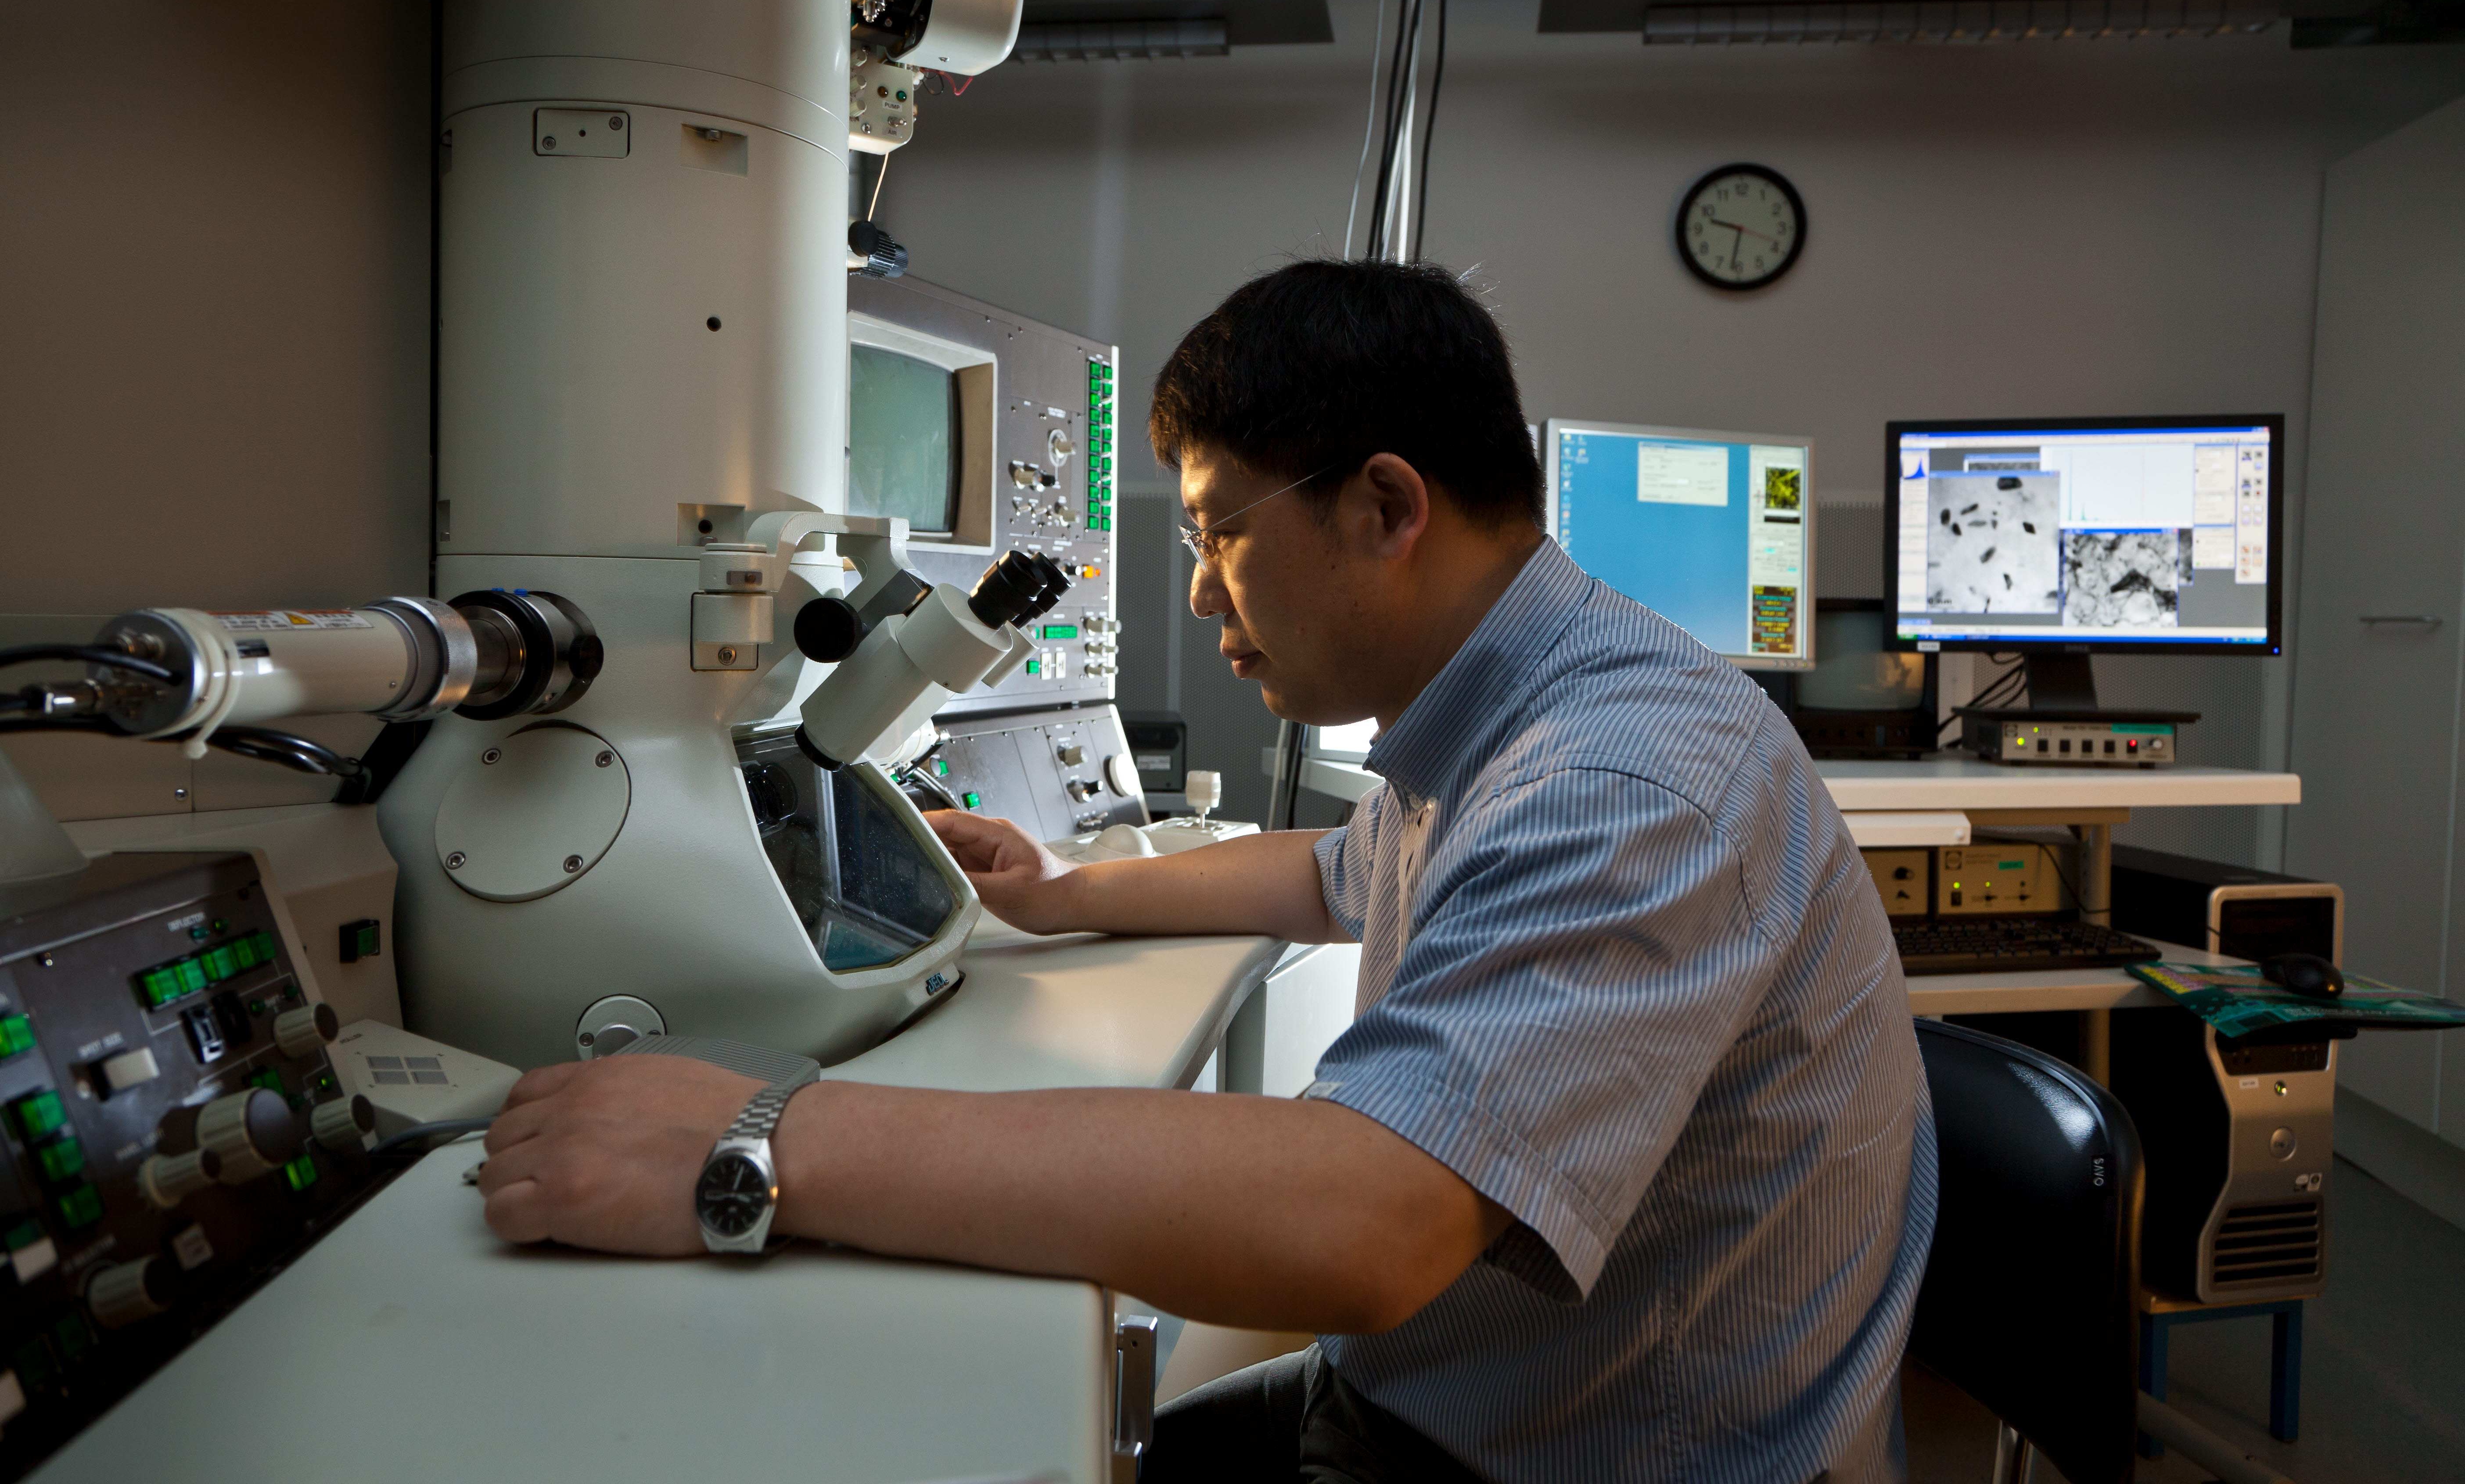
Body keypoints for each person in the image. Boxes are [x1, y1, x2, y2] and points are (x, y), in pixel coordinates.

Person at [476, 258, 1937, 1483]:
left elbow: (1364, 1226)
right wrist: (1062, 888)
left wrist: (761, 1140)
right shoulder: (1535, 702)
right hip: (1476, 1401)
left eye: (1217, 531)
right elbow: (1340, 873)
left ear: (1383, 507)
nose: (1195, 587)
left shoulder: (1620, 780)